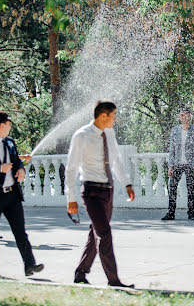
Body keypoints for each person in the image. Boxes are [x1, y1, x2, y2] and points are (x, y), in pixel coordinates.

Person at [65, 101, 135, 287]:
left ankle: (80, 273)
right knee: (104, 234)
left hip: (108, 190)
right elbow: (71, 169)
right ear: (103, 116)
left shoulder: (109, 134)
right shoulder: (81, 136)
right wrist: (70, 198)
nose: (115, 119)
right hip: (91, 192)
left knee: (95, 233)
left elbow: (116, 160)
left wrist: (127, 183)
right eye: (113, 115)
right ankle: (114, 280)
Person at [0, 111, 44, 278]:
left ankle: (30, 265)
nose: (10, 127)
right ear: (1, 126)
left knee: (20, 231)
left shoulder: (9, 141)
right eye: (8, 124)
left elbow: (15, 160)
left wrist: (20, 169)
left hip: (12, 195)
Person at [162, 108, 194, 220]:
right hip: (177, 164)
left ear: (189, 117)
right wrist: (170, 166)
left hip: (190, 164)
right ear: (179, 117)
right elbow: (172, 149)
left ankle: (191, 213)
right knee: (173, 188)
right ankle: (171, 213)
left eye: (186, 115)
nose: (184, 117)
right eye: (182, 115)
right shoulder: (175, 130)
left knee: (191, 189)